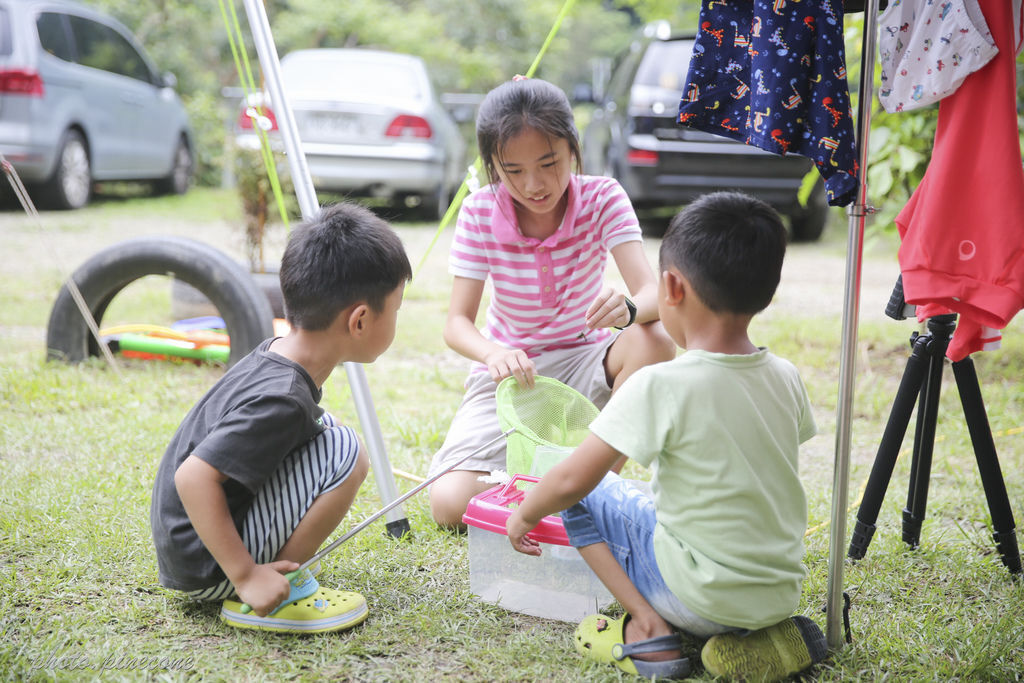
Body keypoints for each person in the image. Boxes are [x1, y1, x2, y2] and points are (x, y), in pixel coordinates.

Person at [506, 192, 828, 681]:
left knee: (574, 491)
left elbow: (573, 478)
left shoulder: (659, 384)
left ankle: (649, 625)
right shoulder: (784, 375)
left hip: (692, 596)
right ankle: (760, 639)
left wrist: (525, 513)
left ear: (671, 288)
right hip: (777, 594)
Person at [150, 202, 411, 634]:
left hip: (193, 548)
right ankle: (275, 585)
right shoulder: (283, 399)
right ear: (360, 320)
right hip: (206, 568)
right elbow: (192, 478)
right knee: (346, 451)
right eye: (397, 309)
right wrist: (245, 575)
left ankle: (261, 572)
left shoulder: (278, 355)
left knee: (329, 431)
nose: (398, 319)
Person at [427, 76, 676, 528]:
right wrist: (494, 353)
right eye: (513, 170)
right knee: (448, 503)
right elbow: (457, 325)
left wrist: (630, 309)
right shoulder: (480, 210)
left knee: (654, 341)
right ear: (492, 166)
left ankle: (593, 488)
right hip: (513, 374)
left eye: (549, 163)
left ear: (572, 149)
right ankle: (550, 485)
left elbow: (653, 293)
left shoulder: (603, 198)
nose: (535, 184)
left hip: (588, 359)